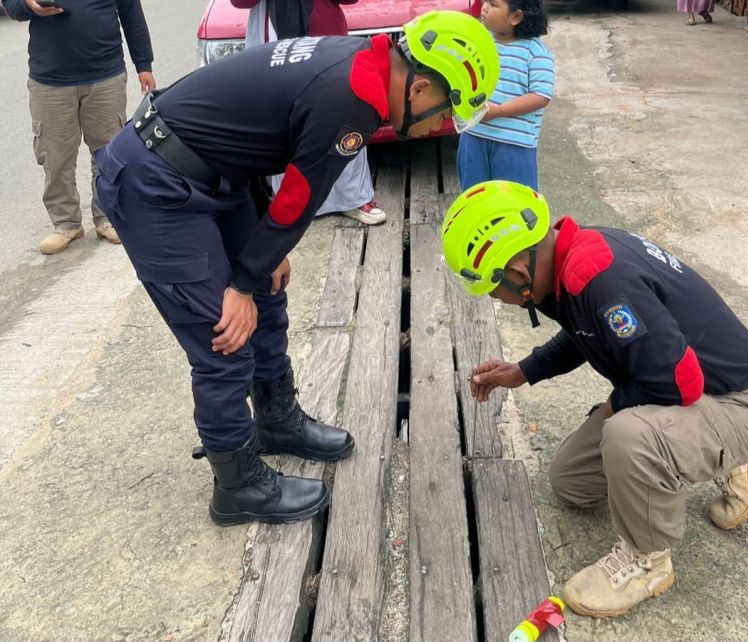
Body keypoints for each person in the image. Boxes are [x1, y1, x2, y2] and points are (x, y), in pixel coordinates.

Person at [94, 11, 498, 526]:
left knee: (267, 291)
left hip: (215, 169)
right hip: (158, 183)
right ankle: (236, 487)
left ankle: (276, 420)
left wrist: (260, 260)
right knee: (224, 333)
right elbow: (301, 197)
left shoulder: (365, 65)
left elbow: (260, 138)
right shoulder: (352, 99)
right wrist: (239, 281)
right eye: (443, 112)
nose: (436, 124)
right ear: (419, 87)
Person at [441, 180, 748, 617]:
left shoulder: (601, 278)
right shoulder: (562, 259)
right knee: (571, 480)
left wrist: (616, 409)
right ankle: (710, 454)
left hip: (747, 402)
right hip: (696, 390)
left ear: (518, 273)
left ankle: (649, 562)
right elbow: (584, 331)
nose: (497, 299)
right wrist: (523, 371)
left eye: (493, 290)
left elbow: (675, 383)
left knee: (628, 435)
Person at [2, 0, 155, 254]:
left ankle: (108, 217)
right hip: (49, 79)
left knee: (109, 154)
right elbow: (13, 5)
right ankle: (66, 224)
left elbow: (131, 13)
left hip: (106, 74)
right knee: (55, 156)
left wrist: (144, 64)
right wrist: (30, 5)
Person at [232, 0, 388, 225]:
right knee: (282, 118)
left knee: (343, 109)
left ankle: (354, 198)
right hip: (273, 36)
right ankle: (291, 205)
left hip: (326, 33)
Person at [457, 0, 553, 190]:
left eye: (492, 4)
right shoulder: (478, 44)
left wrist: (499, 111)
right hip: (474, 135)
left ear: (515, 17)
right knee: (473, 198)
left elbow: (541, 95)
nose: (484, 7)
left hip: (514, 145)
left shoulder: (534, 52)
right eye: (485, 1)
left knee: (513, 203)